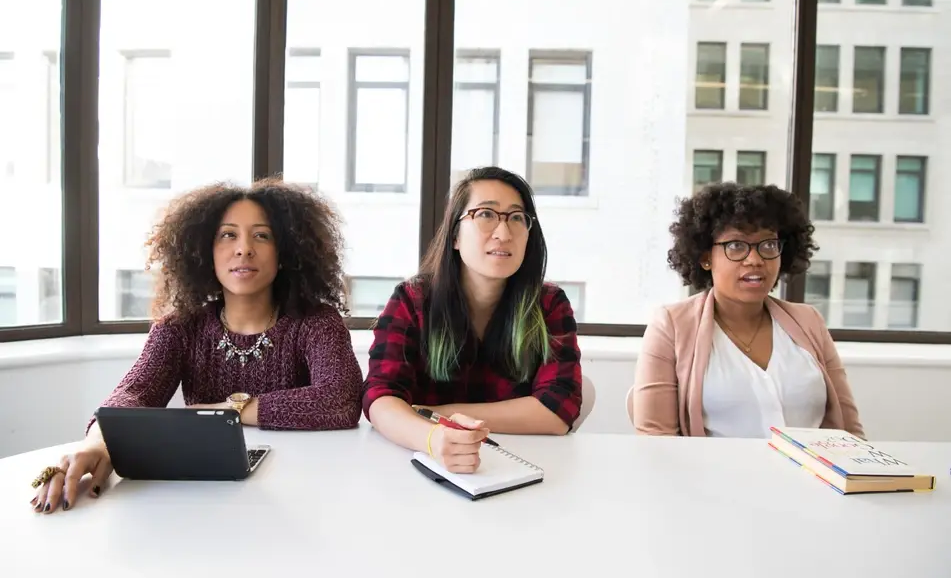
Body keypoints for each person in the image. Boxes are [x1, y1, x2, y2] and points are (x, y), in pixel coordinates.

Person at [30, 178, 363, 514]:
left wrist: (226, 411)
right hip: (203, 496)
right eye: (227, 235)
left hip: (300, 492)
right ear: (205, 251)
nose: (244, 248)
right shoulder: (180, 328)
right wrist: (97, 445)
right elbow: (134, 394)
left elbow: (341, 399)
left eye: (262, 235)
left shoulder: (317, 322)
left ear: (285, 253)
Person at [363, 166, 582, 474]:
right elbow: (380, 398)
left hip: (519, 469)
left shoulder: (547, 304)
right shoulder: (412, 300)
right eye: (485, 215)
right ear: (454, 234)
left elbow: (558, 410)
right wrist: (433, 439)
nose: (503, 234)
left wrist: (443, 414)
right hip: (420, 467)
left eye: (517, 218)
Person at [632, 182, 864, 439]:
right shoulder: (671, 326)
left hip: (810, 478)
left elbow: (851, 434)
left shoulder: (809, 321)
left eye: (768, 245)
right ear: (705, 257)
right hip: (712, 478)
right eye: (736, 246)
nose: (755, 260)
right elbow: (656, 442)